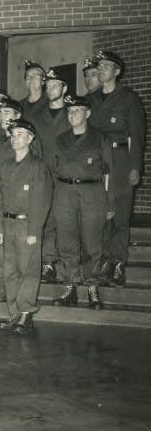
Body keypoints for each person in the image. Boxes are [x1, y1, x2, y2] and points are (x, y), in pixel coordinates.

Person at [52, 95, 115, 310]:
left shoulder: (100, 138)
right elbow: (54, 170)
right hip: (64, 193)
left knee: (91, 242)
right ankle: (70, 287)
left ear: (87, 113)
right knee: (67, 242)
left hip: (92, 193)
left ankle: (91, 288)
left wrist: (111, 204)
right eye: (69, 111)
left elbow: (111, 172)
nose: (72, 115)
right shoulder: (61, 140)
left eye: (76, 111)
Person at [88, 50, 146, 286]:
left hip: (120, 159)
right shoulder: (90, 99)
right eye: (99, 67)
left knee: (120, 213)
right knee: (101, 213)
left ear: (117, 71)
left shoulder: (129, 98)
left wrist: (135, 167)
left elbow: (137, 136)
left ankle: (119, 262)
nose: (101, 71)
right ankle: (104, 260)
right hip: (98, 161)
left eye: (105, 67)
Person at [0, 119, 52, 334]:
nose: (15, 138)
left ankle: (26, 312)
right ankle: (15, 312)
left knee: (28, 269)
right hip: (7, 223)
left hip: (26, 224)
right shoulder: (5, 166)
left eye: (20, 134)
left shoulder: (38, 166)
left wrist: (34, 230)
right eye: (13, 134)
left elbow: (41, 201)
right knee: (9, 270)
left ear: (30, 138)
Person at [32, 68, 71, 283]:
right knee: (46, 219)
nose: (50, 90)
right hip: (45, 175)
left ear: (64, 88)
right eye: (47, 86)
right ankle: (48, 263)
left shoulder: (72, 114)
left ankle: (67, 264)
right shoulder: (38, 117)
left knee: (64, 220)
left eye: (55, 85)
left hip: (66, 177)